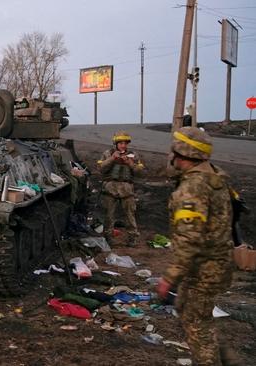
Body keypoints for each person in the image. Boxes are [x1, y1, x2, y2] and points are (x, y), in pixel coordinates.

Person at [157, 127, 239, 365]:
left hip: (203, 269)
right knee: (190, 311)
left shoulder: (192, 188)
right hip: (216, 263)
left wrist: (169, 277)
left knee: (198, 325)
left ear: (180, 154)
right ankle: (228, 360)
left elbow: (189, 238)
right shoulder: (214, 177)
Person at [96, 131, 145, 246]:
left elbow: (140, 172)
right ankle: (108, 237)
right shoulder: (107, 154)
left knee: (130, 215)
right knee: (108, 215)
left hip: (127, 189)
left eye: (125, 143)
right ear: (116, 143)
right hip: (110, 188)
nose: (123, 145)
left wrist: (130, 163)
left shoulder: (133, 155)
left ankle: (132, 237)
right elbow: (101, 168)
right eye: (121, 143)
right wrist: (112, 159)